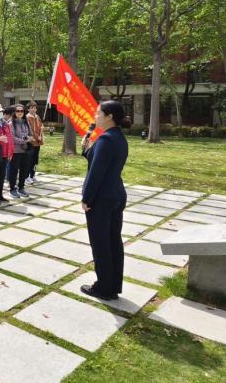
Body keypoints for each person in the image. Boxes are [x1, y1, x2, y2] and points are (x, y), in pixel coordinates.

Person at [80, 100, 131, 301]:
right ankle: (113, 285)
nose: (95, 116)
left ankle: (103, 287)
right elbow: (101, 163)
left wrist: (87, 198)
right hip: (116, 195)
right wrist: (87, 150)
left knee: (101, 244)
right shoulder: (117, 137)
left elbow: (96, 173)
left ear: (109, 116)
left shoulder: (105, 140)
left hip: (101, 199)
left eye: (98, 113)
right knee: (113, 242)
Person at [9, 104, 32, 198]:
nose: (20, 113)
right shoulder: (11, 123)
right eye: (17, 111)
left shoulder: (26, 122)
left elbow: (30, 134)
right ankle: (12, 189)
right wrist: (24, 140)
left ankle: (21, 187)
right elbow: (12, 138)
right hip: (15, 151)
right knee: (14, 171)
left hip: (25, 150)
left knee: (24, 170)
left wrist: (28, 138)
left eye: (21, 111)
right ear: (14, 112)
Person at [26, 101, 44, 183]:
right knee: (29, 160)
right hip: (31, 142)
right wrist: (37, 137)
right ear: (28, 109)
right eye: (31, 108)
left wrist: (42, 128)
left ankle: (32, 175)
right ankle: (26, 176)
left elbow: (40, 126)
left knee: (35, 160)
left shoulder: (37, 117)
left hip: (37, 142)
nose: (33, 109)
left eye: (35, 108)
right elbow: (30, 130)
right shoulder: (27, 117)